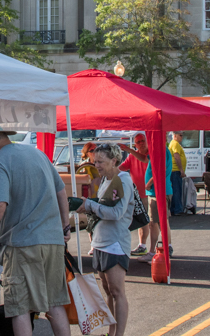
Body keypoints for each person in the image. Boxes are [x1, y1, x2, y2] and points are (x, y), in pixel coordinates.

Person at [0, 119, 71, 336]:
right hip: (53, 241)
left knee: (20, 308)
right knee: (55, 304)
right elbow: (61, 191)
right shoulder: (37, 154)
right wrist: (65, 226)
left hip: (21, 245)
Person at [77, 143, 134, 336]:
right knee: (108, 292)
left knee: (117, 292)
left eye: (101, 162)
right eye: (95, 161)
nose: (96, 165)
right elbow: (103, 207)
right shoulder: (105, 180)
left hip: (115, 243)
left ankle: (119, 334)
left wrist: (90, 206)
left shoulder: (122, 180)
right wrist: (88, 205)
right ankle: (112, 331)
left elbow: (117, 213)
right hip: (100, 242)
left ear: (114, 161)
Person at [138, 146, 173, 263]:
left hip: (158, 192)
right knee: (160, 222)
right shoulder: (159, 149)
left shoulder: (160, 149)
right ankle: (164, 249)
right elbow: (145, 159)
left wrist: (149, 183)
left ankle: (154, 252)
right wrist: (130, 151)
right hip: (158, 191)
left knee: (155, 223)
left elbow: (161, 169)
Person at [119, 134, 150, 256]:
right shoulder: (132, 156)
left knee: (146, 221)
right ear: (135, 144)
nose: (141, 143)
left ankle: (144, 245)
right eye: (138, 142)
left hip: (148, 193)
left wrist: (128, 150)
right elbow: (121, 168)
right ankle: (142, 245)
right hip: (136, 194)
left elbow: (144, 158)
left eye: (143, 141)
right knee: (139, 220)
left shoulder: (149, 154)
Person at [168, 132, 187, 216]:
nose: (182, 137)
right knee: (177, 190)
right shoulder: (175, 144)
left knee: (175, 190)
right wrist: (181, 170)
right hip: (175, 171)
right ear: (175, 136)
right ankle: (177, 209)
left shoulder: (174, 143)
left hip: (174, 170)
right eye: (180, 135)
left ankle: (174, 208)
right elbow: (176, 156)